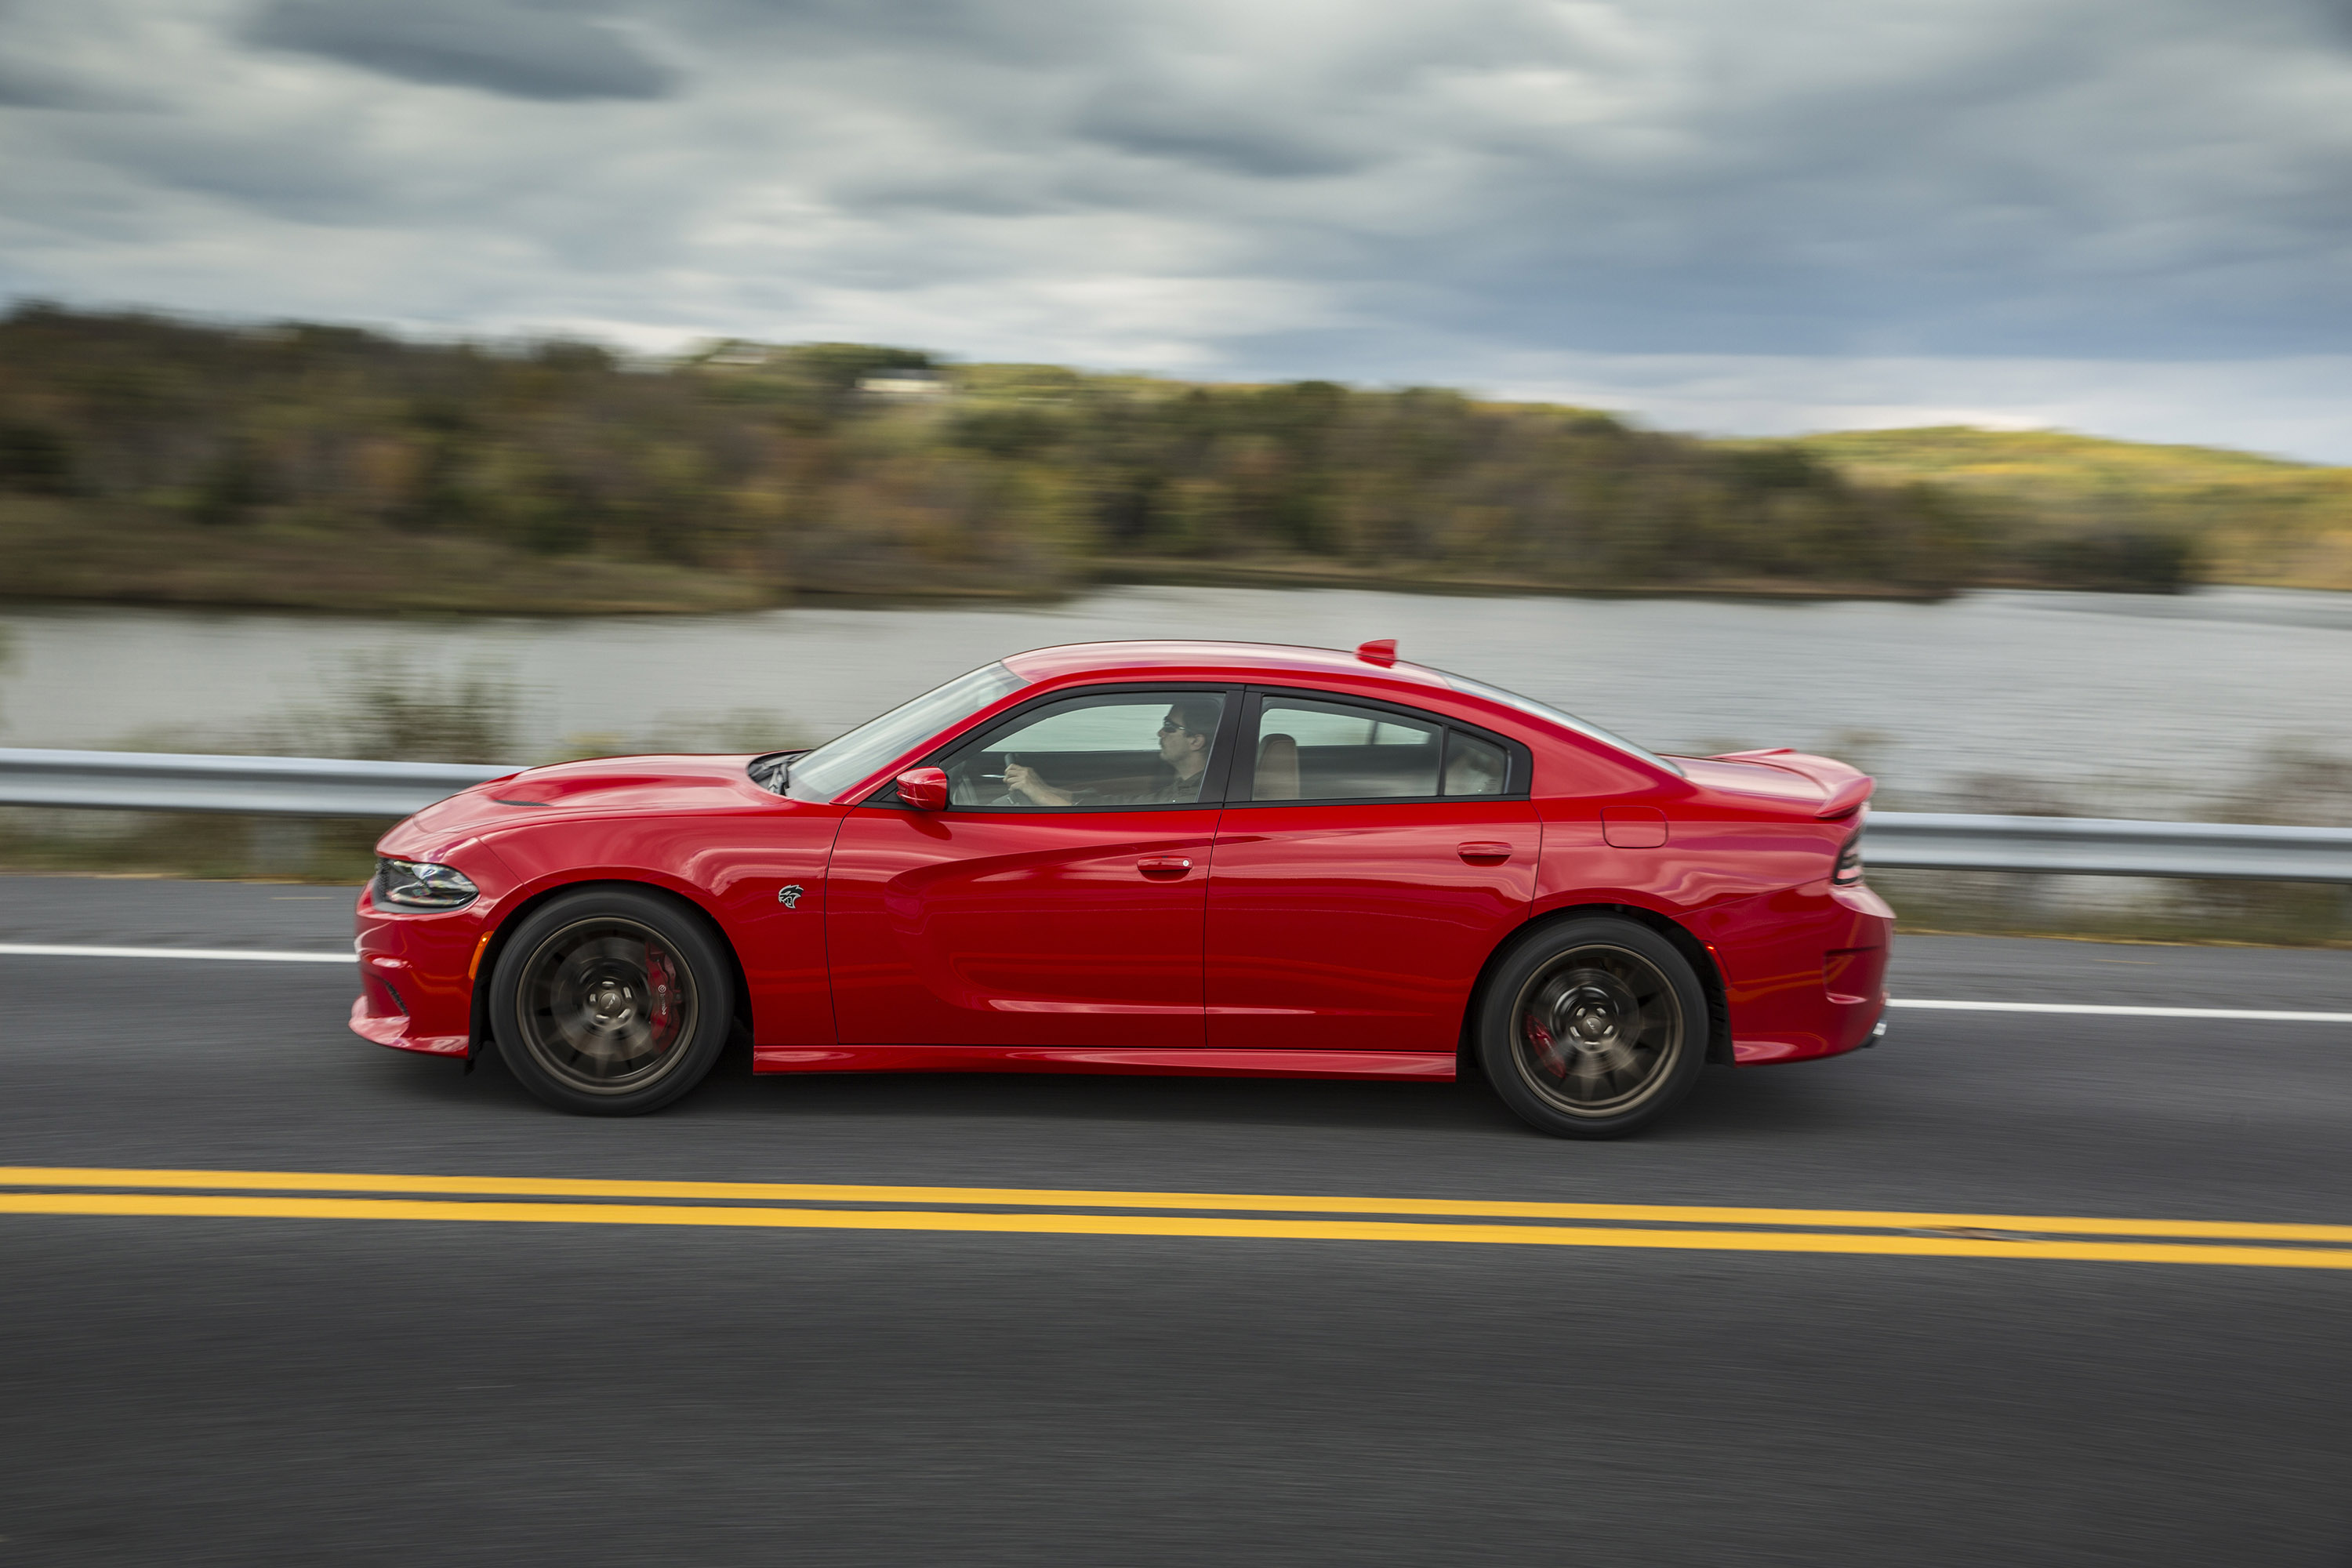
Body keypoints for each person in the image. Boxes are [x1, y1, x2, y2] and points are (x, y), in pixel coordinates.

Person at [1001, 697, 1220, 807]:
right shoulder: (1186, 786)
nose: (1160, 732)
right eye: (1164, 723)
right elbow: (1125, 803)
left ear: (1196, 741)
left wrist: (1041, 795)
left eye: (1170, 727)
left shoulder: (1194, 799)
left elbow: (1123, 826)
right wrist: (1046, 789)